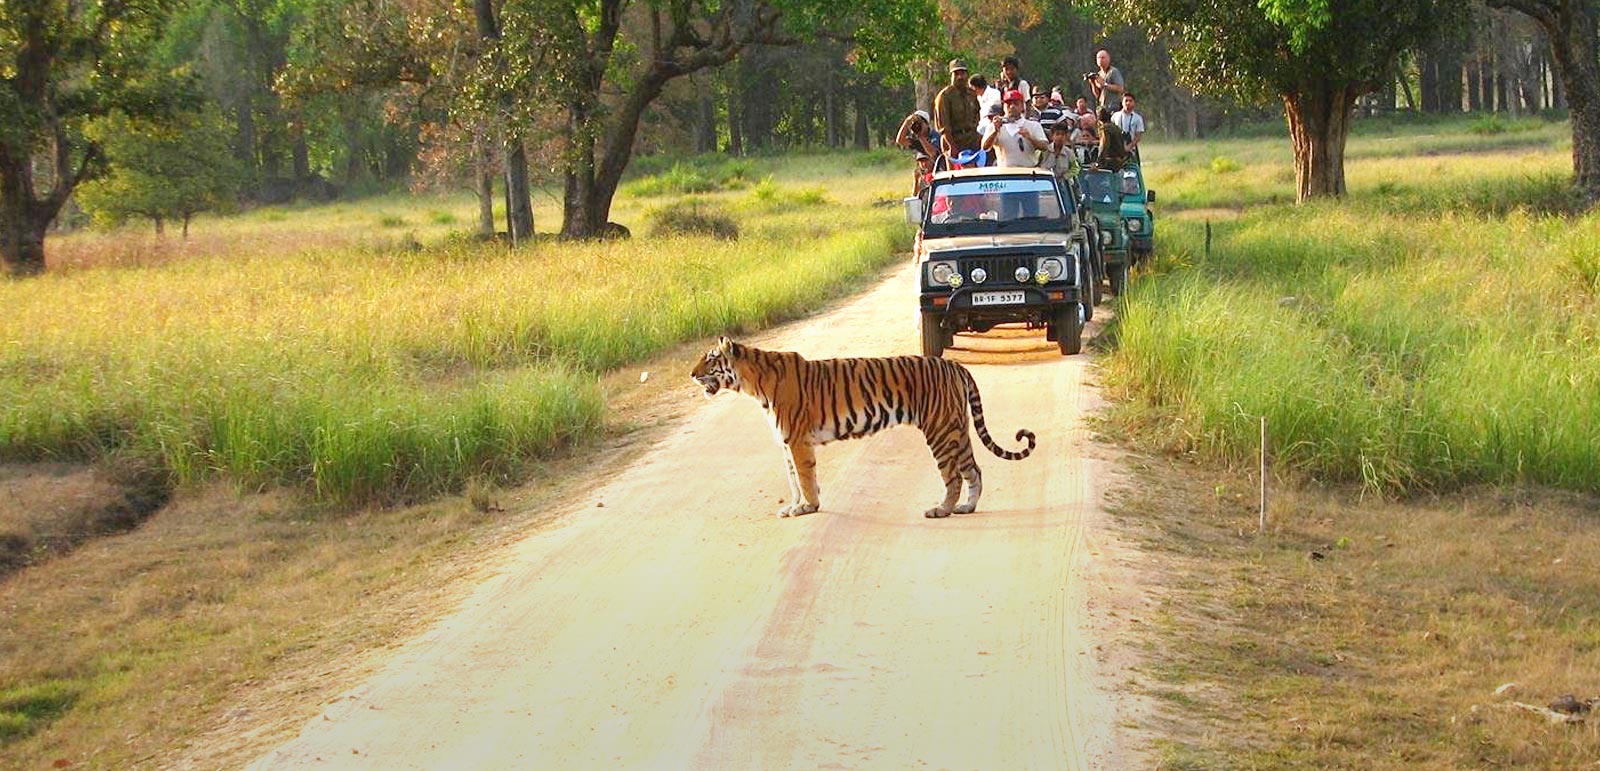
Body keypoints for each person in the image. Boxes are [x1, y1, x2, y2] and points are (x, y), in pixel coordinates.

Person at [981, 89, 1050, 168]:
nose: (1012, 106)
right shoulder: (994, 126)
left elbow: (1044, 147)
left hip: (1028, 172)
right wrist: (995, 132)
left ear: (1022, 106)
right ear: (1003, 107)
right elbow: (985, 148)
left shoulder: (1033, 125)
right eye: (1008, 104)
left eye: (1016, 103)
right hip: (1005, 173)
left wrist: (1030, 138)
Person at [933, 59, 981, 165]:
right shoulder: (944, 96)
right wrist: (952, 147)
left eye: (962, 73)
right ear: (951, 76)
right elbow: (944, 127)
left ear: (967, 75)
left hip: (972, 138)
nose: (960, 77)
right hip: (953, 140)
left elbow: (977, 114)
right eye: (956, 74)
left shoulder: (971, 94)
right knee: (956, 176)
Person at [895, 109, 940, 193]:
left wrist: (921, 137)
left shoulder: (935, 136)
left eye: (919, 124)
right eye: (914, 124)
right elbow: (900, 141)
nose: (916, 126)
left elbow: (933, 153)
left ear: (926, 124)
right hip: (926, 171)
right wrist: (907, 122)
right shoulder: (916, 137)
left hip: (939, 170)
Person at [1111, 91, 1146, 158]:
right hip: (1116, 149)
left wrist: (1128, 147)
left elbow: (1138, 136)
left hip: (1131, 149)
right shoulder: (1115, 116)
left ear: (1134, 103)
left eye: (1130, 101)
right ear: (1122, 103)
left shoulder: (1137, 118)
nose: (1128, 103)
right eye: (1126, 101)